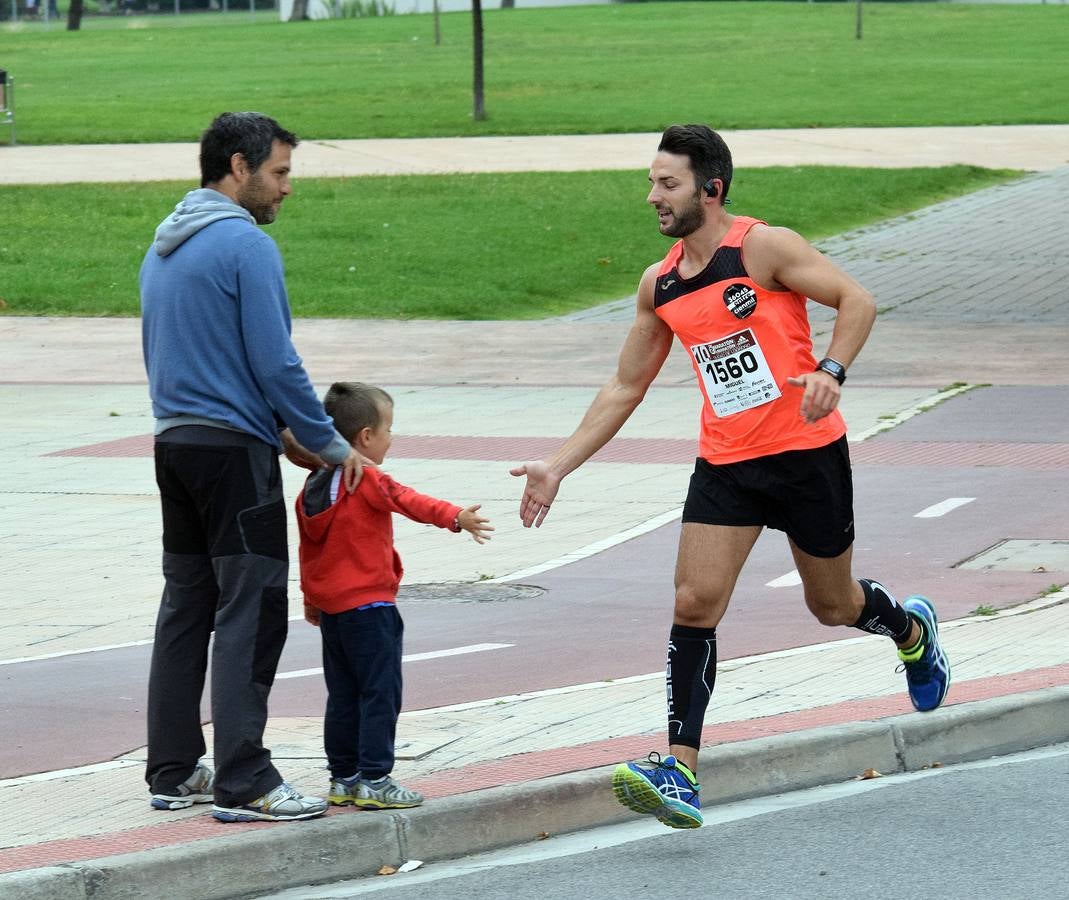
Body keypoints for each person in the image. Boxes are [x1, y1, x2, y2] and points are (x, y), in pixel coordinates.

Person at [511, 124, 950, 830]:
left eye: (667, 183)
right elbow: (625, 386)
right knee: (693, 601)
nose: (652, 196)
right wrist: (557, 465)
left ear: (709, 188)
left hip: (806, 457)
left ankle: (908, 630)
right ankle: (679, 768)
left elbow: (856, 301)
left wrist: (830, 372)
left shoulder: (763, 247)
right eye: (652, 181)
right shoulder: (659, 284)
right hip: (726, 464)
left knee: (832, 606)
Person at [140, 111, 364, 823]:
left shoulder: (163, 246)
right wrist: (329, 443)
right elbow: (275, 362)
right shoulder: (244, 247)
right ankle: (245, 779)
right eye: (279, 172)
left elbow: (189, 355)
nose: (286, 188)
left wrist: (275, 427)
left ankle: (174, 769)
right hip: (234, 460)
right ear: (238, 167)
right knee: (251, 610)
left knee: (186, 606)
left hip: (174, 447)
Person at [296, 382, 493, 810]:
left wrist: (311, 598)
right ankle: (376, 779)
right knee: (380, 693)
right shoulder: (366, 477)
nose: (391, 438)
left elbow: (309, 550)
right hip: (371, 608)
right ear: (365, 436)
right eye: (388, 429)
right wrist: (455, 518)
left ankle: (343, 778)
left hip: (334, 612)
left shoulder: (313, 485)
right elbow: (406, 500)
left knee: (343, 694)